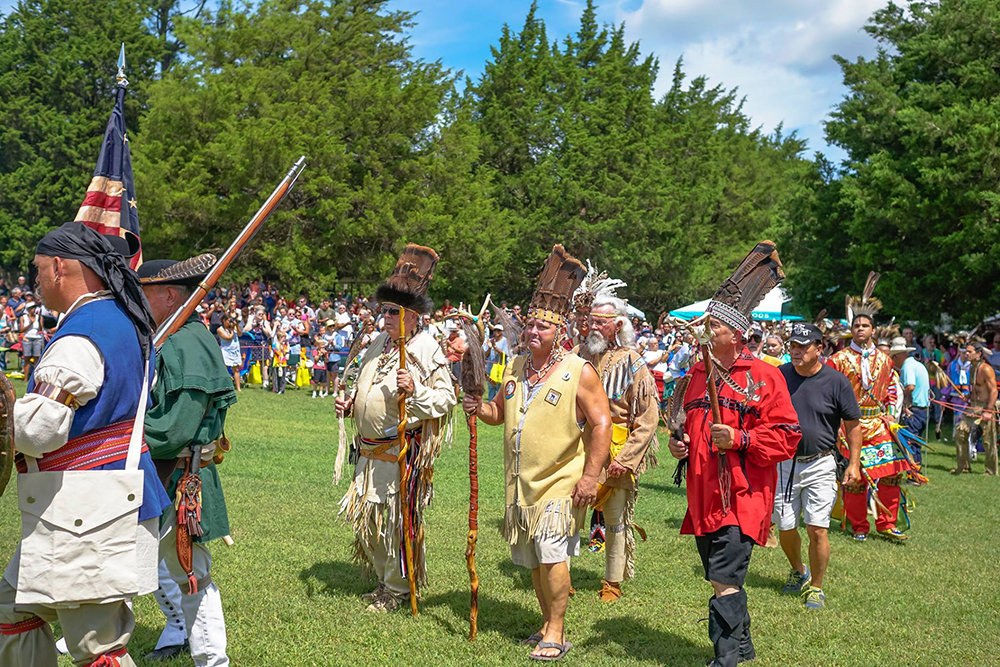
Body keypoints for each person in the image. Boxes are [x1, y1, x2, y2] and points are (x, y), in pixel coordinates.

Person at [0, 222, 170, 666]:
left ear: (59, 267)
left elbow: (42, 430)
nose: (35, 279)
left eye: (38, 269)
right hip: (86, 506)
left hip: (90, 511)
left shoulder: (83, 331)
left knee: (98, 650)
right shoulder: (116, 318)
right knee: (12, 610)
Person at [463, 245, 611, 661]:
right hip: (520, 483)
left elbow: (602, 424)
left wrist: (590, 477)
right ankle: (547, 622)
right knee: (532, 559)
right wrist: (481, 409)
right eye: (529, 326)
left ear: (559, 333)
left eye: (541, 329)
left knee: (551, 554)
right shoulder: (514, 367)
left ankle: (557, 632)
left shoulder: (578, 370)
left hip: (560, 481)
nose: (532, 333)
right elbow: (499, 412)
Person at [668, 242, 800, 667]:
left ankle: (725, 659)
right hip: (703, 495)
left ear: (736, 334)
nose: (705, 333)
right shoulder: (697, 375)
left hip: (742, 498)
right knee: (719, 578)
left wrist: (741, 440)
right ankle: (743, 646)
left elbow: (787, 437)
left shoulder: (763, 376)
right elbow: (690, 426)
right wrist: (680, 445)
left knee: (724, 579)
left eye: (714, 328)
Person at [336, 244, 456, 613]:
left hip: (400, 453)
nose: (384, 317)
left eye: (392, 311)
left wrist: (415, 390)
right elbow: (364, 384)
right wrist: (349, 401)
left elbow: (446, 398)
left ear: (413, 316)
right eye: (383, 310)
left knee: (394, 524)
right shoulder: (378, 344)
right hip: (368, 453)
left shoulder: (424, 348)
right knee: (370, 523)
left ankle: (397, 590)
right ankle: (383, 582)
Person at [138, 256, 237, 666]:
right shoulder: (171, 335)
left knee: (191, 577)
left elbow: (173, 430)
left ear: (168, 294)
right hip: (163, 475)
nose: (135, 300)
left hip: (175, 478)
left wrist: (115, 431)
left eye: (142, 292)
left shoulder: (186, 343)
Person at [575, 290, 659, 603]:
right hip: (578, 450)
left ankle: (612, 581)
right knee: (570, 515)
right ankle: (561, 571)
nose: (594, 327)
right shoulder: (578, 356)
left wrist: (626, 459)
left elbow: (648, 419)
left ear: (618, 325)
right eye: (591, 321)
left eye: (601, 322)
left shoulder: (632, 362)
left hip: (615, 451)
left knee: (615, 521)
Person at [775, 323, 862, 611]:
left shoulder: (837, 382)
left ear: (819, 348)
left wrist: (854, 463)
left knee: (818, 529)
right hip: (784, 463)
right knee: (785, 525)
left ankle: (816, 587)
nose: (796, 351)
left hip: (821, 462)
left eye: (803, 346)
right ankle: (799, 570)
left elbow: (852, 426)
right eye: (793, 346)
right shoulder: (780, 376)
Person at [829, 276, 912, 543]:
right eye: (856, 325)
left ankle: (886, 524)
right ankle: (859, 526)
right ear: (851, 330)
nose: (860, 329)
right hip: (850, 426)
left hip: (878, 424)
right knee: (855, 478)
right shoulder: (839, 360)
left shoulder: (885, 360)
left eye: (865, 325)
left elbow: (891, 389)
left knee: (889, 473)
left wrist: (890, 411)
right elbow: (828, 393)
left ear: (873, 330)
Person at [953, 343, 998, 475]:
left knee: (988, 440)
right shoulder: (972, 367)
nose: (966, 354)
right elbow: (976, 388)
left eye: (969, 352)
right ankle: (964, 467)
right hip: (972, 405)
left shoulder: (986, 369)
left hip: (985, 406)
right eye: (965, 351)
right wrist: (967, 397)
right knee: (960, 433)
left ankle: (991, 471)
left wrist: (989, 411)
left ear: (978, 354)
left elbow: (994, 391)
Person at [891, 337, 930, 467]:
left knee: (910, 443)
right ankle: (916, 471)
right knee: (915, 443)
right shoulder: (918, 364)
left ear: (897, 356)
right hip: (923, 410)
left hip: (914, 411)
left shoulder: (907, 366)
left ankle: (913, 474)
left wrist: (904, 402)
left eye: (893, 358)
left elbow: (910, 386)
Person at [218, 312, 243, 392]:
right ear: (224, 321)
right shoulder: (220, 329)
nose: (230, 323)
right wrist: (232, 330)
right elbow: (228, 338)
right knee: (225, 369)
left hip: (235, 351)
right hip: (226, 351)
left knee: (236, 369)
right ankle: (222, 386)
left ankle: (238, 388)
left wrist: (236, 326)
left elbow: (240, 334)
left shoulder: (234, 328)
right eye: (228, 321)